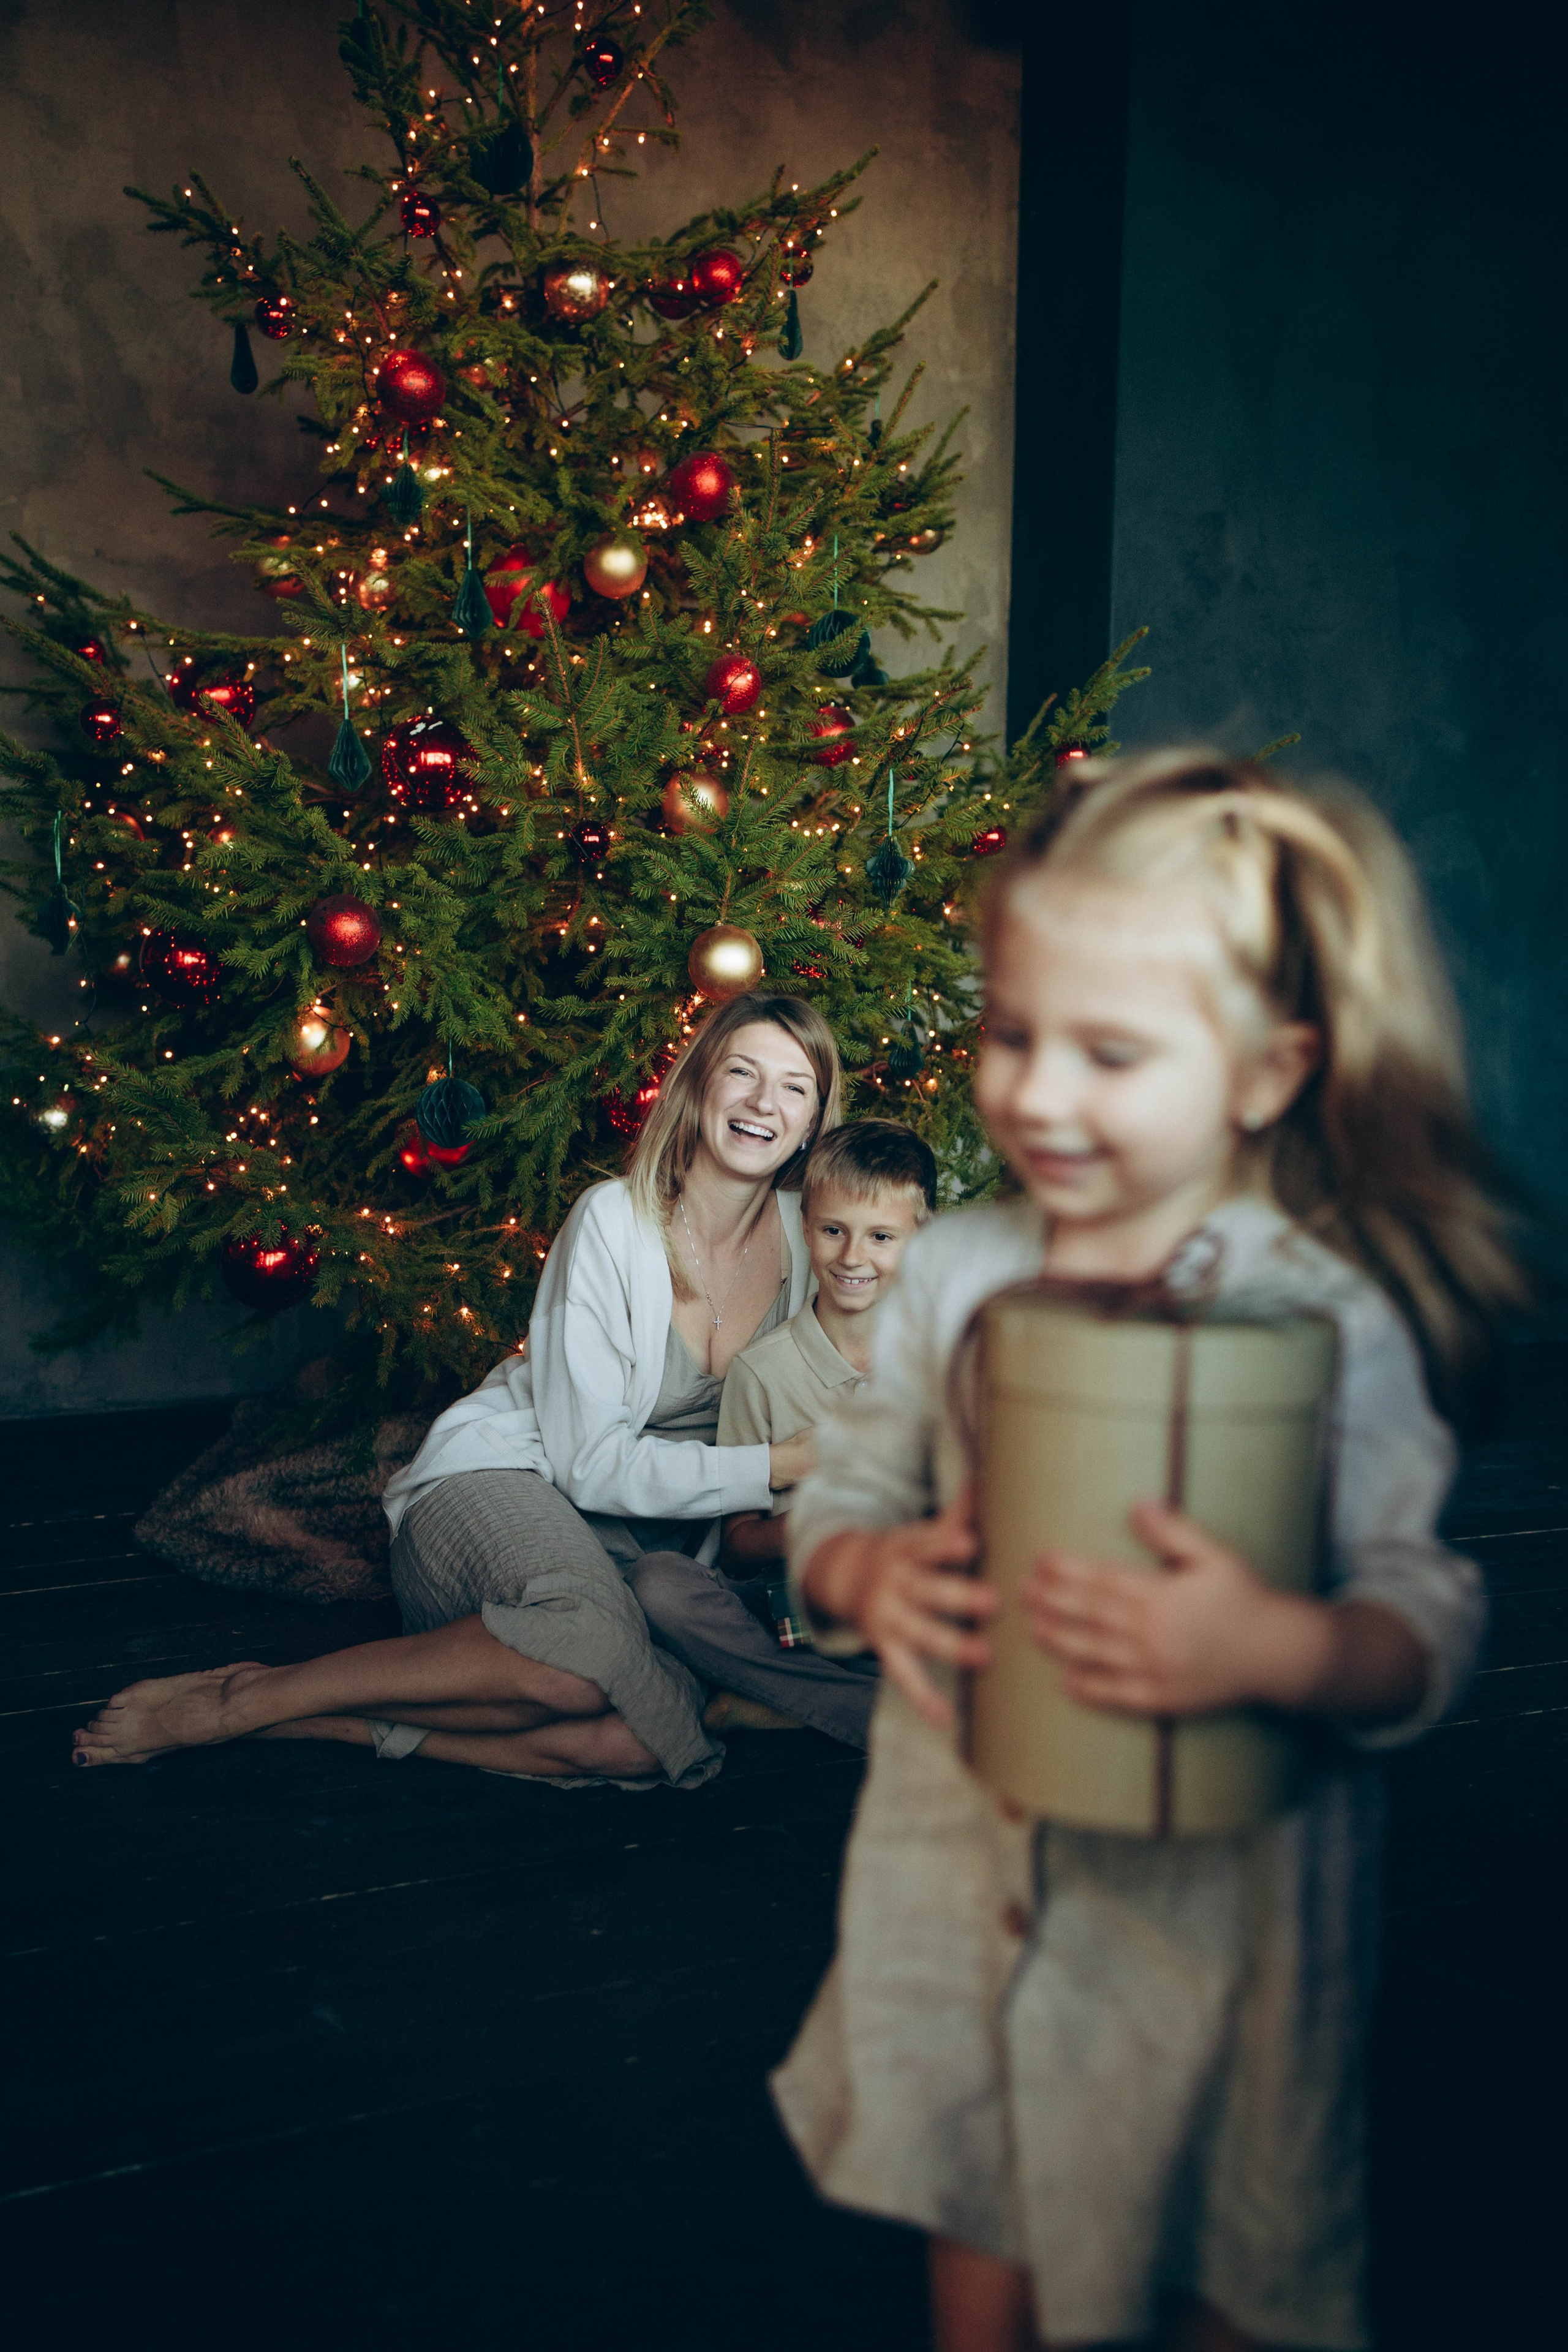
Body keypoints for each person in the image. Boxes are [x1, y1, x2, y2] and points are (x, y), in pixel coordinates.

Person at [771, 752, 1529, 2352]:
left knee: (1219, 2258)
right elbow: (845, 1489)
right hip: (960, 1868)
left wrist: (1280, 1648)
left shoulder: (1322, 1308)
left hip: (1217, 1924)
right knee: (979, 2210)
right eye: (1013, 1035)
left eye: (1110, 1053)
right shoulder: (953, 1271)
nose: (1039, 1096)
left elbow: (1421, 1605)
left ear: (1264, 1072)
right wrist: (864, 1574)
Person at [72, 993, 841, 1785]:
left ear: (814, 1120)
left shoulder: (817, 1241)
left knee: (644, 1742)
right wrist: (779, 1465)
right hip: (513, 1482)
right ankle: (244, 1703)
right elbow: (588, 1465)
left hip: (653, 1553)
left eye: (793, 1087)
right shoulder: (614, 1221)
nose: (763, 1102)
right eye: (742, 1072)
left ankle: (313, 1721)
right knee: (586, 1657)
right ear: (699, 1085)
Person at [631, 1119, 937, 1744]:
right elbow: (738, 1547)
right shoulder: (761, 1372)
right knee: (660, 1585)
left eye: (881, 1236)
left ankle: (792, 1703)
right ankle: (882, 1714)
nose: (852, 1258)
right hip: (795, 1614)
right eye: (833, 1231)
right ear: (805, 1227)